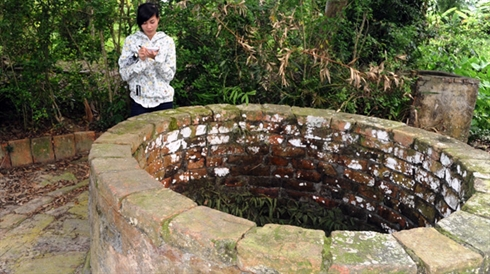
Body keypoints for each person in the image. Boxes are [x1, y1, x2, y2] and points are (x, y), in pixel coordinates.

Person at [118, 3, 176, 117]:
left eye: (152, 22)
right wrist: (140, 60)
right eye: (144, 23)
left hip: (164, 100)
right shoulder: (131, 41)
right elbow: (124, 74)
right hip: (139, 101)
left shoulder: (167, 42)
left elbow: (169, 75)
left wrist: (156, 60)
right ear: (140, 23)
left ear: (158, 19)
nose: (149, 27)